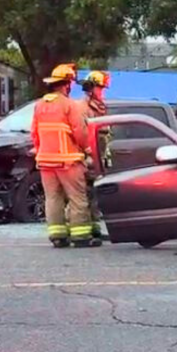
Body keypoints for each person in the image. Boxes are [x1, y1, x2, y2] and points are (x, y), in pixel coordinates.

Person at [31, 63, 96, 248]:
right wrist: (88, 150)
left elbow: (34, 134)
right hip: (68, 161)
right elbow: (80, 132)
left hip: (45, 162)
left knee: (52, 198)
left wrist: (41, 150)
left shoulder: (39, 105)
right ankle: (81, 236)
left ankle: (57, 236)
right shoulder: (69, 105)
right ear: (66, 84)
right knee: (77, 198)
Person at [77, 70, 110, 239]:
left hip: (99, 155)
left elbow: (105, 133)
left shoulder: (100, 106)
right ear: (91, 88)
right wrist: (87, 155)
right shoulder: (83, 107)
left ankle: (94, 227)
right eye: (100, 88)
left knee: (95, 193)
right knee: (85, 193)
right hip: (88, 156)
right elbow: (82, 133)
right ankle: (83, 228)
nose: (102, 92)